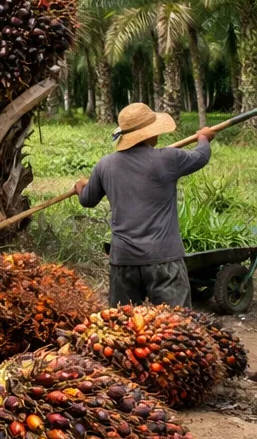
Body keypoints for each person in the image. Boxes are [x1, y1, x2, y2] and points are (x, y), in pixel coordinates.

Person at [74, 102, 216, 308]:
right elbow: (201, 157)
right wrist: (204, 138)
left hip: (123, 261)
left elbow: (87, 200)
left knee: (123, 329)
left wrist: (79, 187)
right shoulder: (168, 159)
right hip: (164, 261)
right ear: (147, 134)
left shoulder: (105, 165)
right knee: (175, 326)